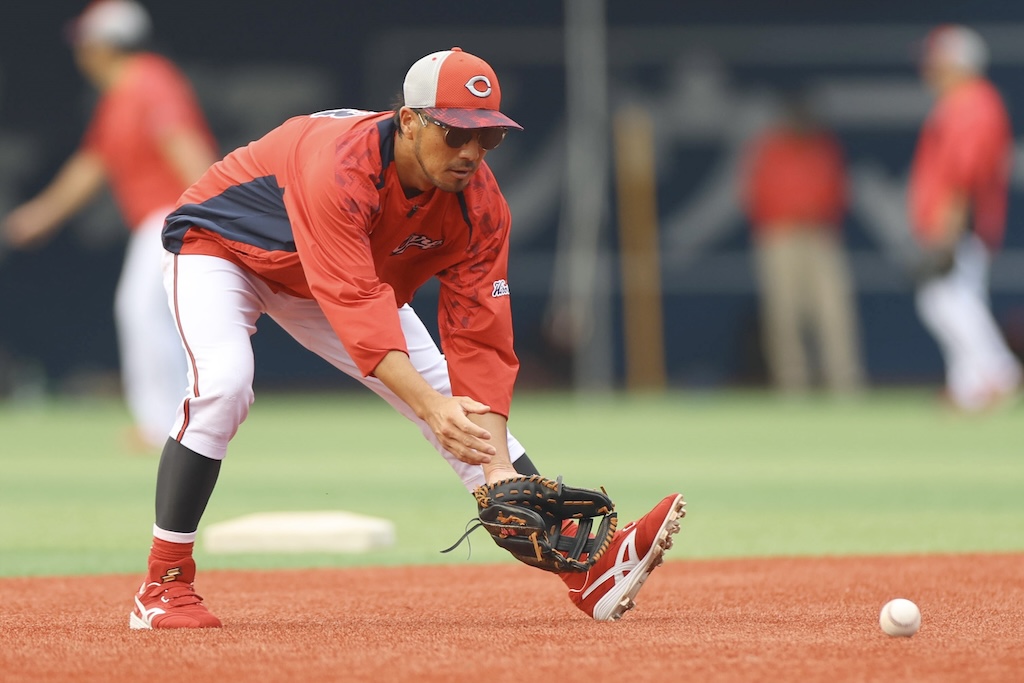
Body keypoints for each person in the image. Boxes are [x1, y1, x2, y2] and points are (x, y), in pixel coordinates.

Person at [128, 47, 684, 630]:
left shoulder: (482, 206)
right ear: (410, 120)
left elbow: (481, 336)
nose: (471, 153)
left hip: (331, 280)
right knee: (224, 384)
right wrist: (432, 408)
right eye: (455, 133)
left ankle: (590, 571)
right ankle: (162, 585)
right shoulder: (342, 167)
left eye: (487, 138)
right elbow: (357, 305)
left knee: (457, 408)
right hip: (225, 250)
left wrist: (495, 469)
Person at [1, 0, 219, 449]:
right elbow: (92, 163)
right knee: (150, 313)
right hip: (161, 219)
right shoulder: (121, 93)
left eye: (85, 43)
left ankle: (165, 424)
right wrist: (42, 213)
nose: (80, 54)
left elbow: (184, 144)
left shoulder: (150, 80)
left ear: (103, 46)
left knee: (142, 310)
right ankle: (175, 421)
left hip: (175, 213)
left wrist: (215, 209)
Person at [908, 25, 1022, 412]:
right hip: (956, 218)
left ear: (959, 64)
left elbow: (964, 171)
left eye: (937, 62)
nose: (929, 69)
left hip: (963, 220)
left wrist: (948, 225)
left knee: (948, 299)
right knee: (953, 297)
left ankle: (998, 372)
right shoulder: (960, 102)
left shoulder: (973, 103)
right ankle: (969, 388)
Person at [740, 93, 864, 395]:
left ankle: (844, 383)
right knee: (784, 314)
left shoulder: (824, 146)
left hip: (820, 236)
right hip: (780, 236)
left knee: (834, 311)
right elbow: (751, 194)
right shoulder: (769, 147)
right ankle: (792, 384)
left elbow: (841, 190)